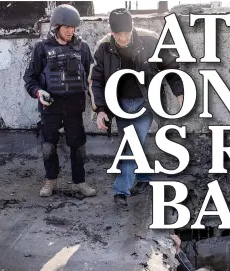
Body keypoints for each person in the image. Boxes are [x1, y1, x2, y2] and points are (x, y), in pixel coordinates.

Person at [90, 8, 184, 209]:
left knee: (131, 145)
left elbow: (171, 67)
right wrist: (100, 110)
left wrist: (180, 94)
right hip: (120, 104)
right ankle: (143, 176)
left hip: (145, 102)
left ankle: (120, 190)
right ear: (111, 32)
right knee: (131, 144)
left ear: (132, 29)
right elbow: (96, 80)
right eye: (118, 34)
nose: (123, 38)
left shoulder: (150, 41)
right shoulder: (103, 47)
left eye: (126, 33)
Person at [24, 4, 96, 198]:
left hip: (74, 105)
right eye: (67, 28)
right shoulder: (42, 48)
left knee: (78, 145)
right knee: (48, 144)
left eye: (73, 28)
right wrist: (38, 92)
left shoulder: (83, 48)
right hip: (51, 105)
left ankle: (79, 182)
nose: (71, 31)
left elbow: (91, 79)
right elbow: (29, 78)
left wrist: (98, 105)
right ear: (56, 27)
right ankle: (51, 180)